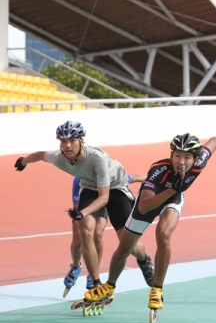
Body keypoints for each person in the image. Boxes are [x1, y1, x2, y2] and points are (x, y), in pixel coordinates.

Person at [84, 133, 216, 311]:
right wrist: (172, 188)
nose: (180, 161)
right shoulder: (158, 170)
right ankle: (109, 286)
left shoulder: (200, 161)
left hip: (173, 199)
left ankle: (157, 289)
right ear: (171, 154)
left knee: (163, 234)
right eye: (177, 155)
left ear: (195, 159)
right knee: (125, 249)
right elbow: (146, 206)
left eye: (186, 157)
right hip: (150, 200)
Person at [14, 120, 154, 291]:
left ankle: (143, 258)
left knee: (127, 245)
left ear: (81, 141)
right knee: (86, 230)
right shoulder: (59, 157)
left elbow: (104, 198)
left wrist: (82, 212)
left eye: (72, 140)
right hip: (90, 187)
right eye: (63, 141)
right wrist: (23, 161)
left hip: (115, 188)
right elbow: (40, 155)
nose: (67, 145)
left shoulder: (97, 159)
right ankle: (96, 283)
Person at [65, 173, 150, 295]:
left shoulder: (110, 176)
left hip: (105, 199)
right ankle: (76, 266)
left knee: (98, 234)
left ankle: (93, 274)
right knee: (78, 240)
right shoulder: (79, 180)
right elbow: (77, 207)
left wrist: (155, 178)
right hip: (87, 201)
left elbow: (136, 178)